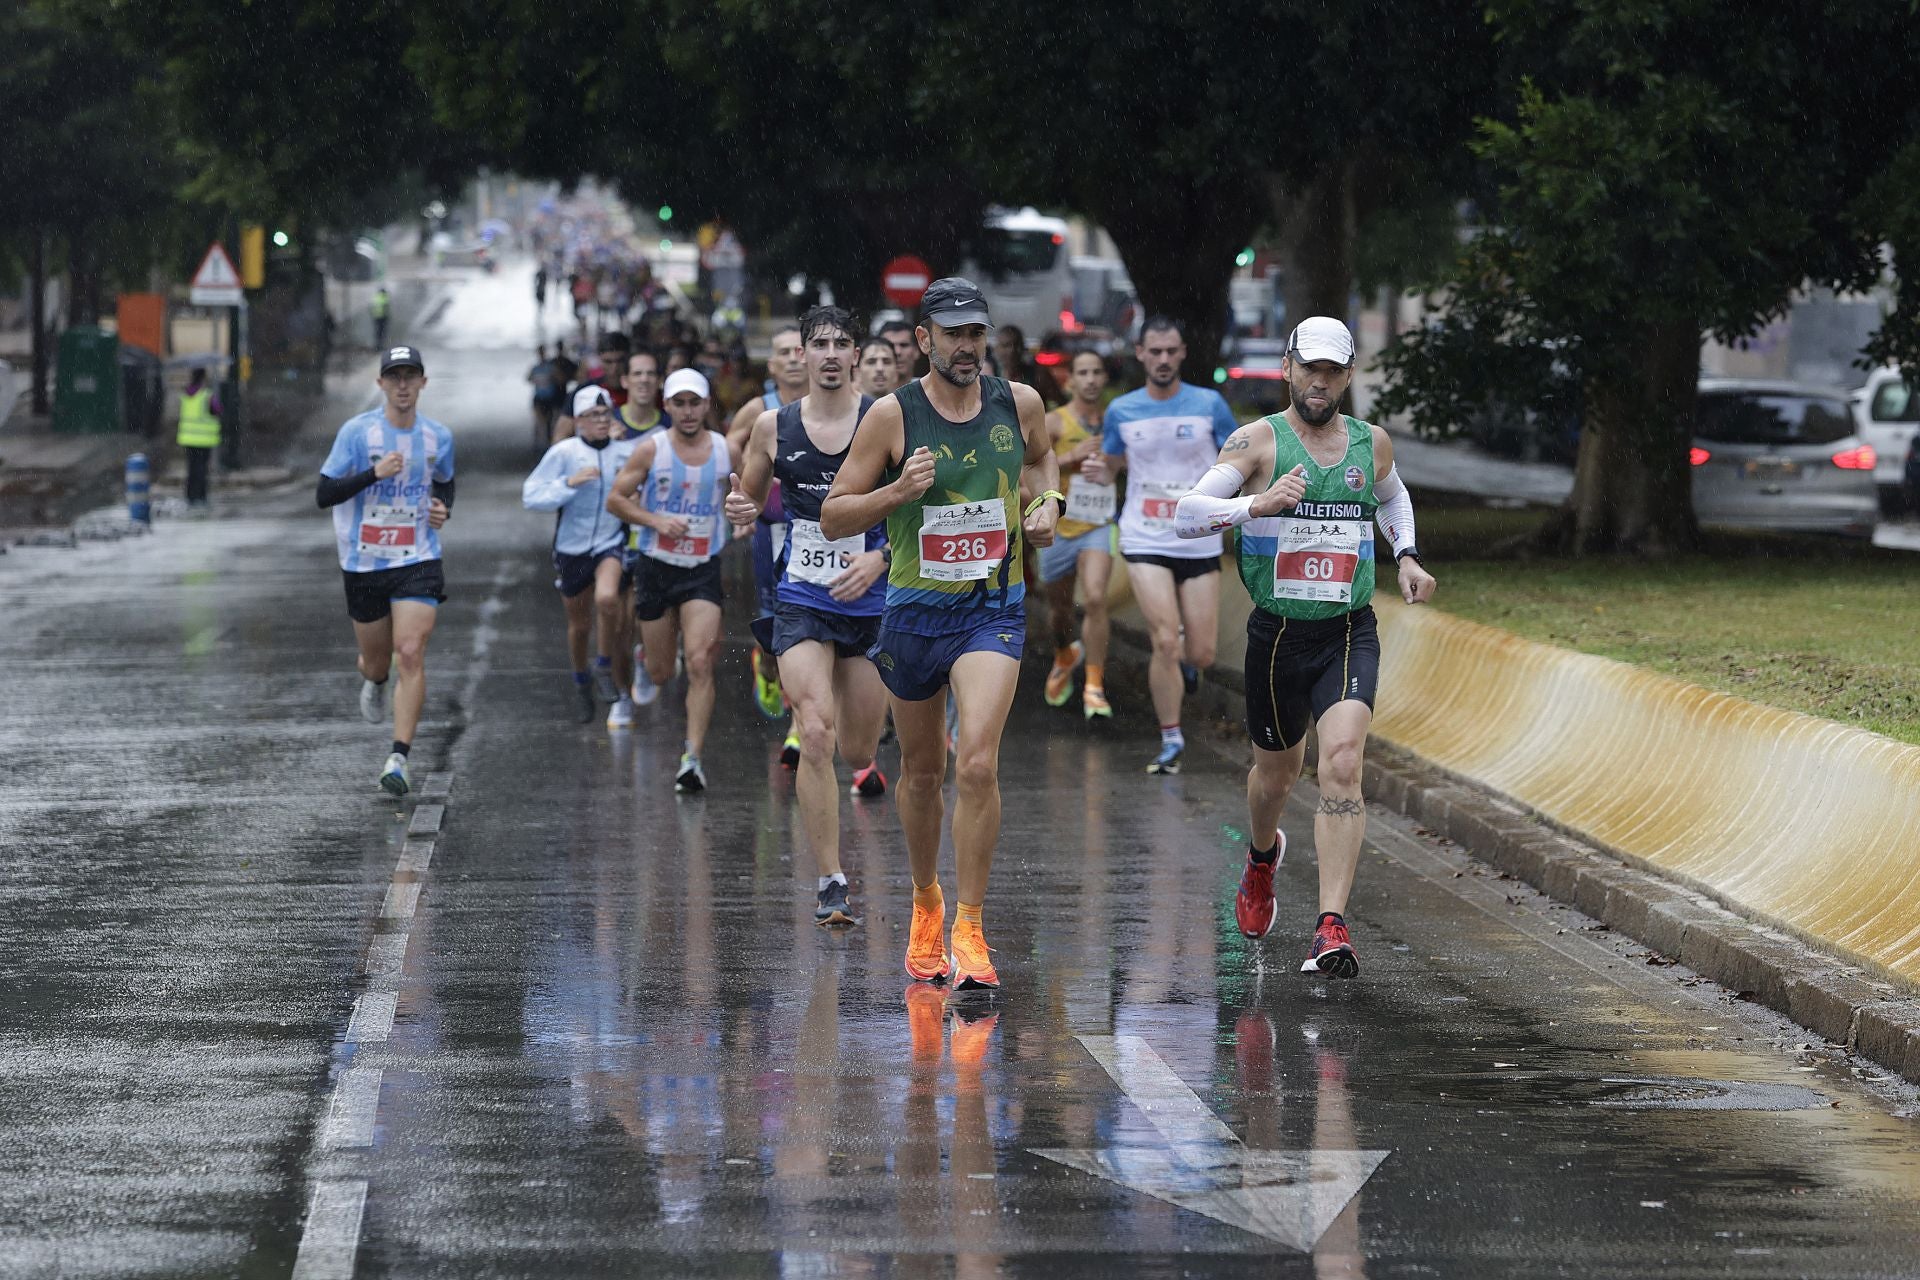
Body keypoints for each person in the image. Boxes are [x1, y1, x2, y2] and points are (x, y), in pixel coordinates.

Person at [1172, 317, 1436, 977]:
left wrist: (1405, 554)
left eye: (1332, 371)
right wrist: (1254, 506)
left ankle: (1330, 926)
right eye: (1308, 368)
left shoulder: (1369, 443)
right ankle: (1262, 861)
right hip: (1278, 635)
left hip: (1347, 629)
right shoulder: (1258, 441)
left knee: (1342, 763)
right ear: (1288, 368)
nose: (1319, 382)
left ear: (1347, 376)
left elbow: (1392, 497)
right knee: (1276, 776)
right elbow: (1185, 514)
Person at [822, 277, 1061, 994]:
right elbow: (835, 514)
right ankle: (926, 901)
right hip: (914, 614)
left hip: (992, 609)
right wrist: (897, 492)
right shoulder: (892, 418)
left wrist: (1046, 503)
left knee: (978, 764)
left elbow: (1044, 459)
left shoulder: (1017, 403)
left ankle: (970, 924)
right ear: (923, 339)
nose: (967, 346)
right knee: (923, 773)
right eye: (952, 333)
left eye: (976, 333)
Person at [725, 305, 891, 927]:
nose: (826, 353)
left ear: (855, 355)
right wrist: (739, 509)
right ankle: (831, 880)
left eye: (838, 343)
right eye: (815, 343)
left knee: (857, 747)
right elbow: (746, 492)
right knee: (815, 732)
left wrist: (881, 562)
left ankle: (859, 762)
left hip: (871, 600)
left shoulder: (886, 420)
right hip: (801, 597)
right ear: (800, 354)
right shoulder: (773, 426)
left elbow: (919, 508)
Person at [1083, 316, 1239, 774]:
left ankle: (1191, 664)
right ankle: (1171, 738)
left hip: (1198, 539)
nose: (1164, 359)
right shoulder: (1122, 410)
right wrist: (1099, 473)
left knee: (1202, 653)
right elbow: (1111, 465)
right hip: (1144, 535)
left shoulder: (1210, 405)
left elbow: (1239, 458)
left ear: (1183, 353)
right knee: (1165, 641)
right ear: (1141, 354)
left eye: (1172, 351)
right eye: (1156, 352)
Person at [316, 345, 455, 795]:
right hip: (364, 563)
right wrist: (373, 474)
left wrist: (442, 508)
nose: (402, 385)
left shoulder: (438, 438)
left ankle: (399, 757)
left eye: (410, 376)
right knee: (378, 661)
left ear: (422, 384)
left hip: (417, 558)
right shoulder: (357, 435)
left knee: (410, 651)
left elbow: (446, 482)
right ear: (380, 384)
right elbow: (324, 494)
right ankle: (375, 680)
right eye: (393, 377)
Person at [607, 369, 738, 793]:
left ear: (706, 406)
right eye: (678, 403)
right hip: (655, 565)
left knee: (701, 661)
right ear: (667, 406)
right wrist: (655, 519)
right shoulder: (652, 450)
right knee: (664, 673)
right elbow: (616, 499)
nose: (687, 411)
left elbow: (747, 492)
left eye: (694, 402)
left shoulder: (725, 450)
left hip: (702, 566)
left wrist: (744, 513)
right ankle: (650, 658)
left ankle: (692, 758)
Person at [523, 385, 640, 728]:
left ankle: (604, 664)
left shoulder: (626, 451)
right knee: (579, 625)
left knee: (607, 599)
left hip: (609, 541)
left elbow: (645, 484)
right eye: (592, 416)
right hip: (572, 548)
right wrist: (568, 484)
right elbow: (531, 496)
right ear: (577, 421)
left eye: (606, 414)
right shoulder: (565, 453)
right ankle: (580, 678)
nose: (601, 421)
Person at [727, 324, 809, 758]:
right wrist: (747, 491)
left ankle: (800, 725)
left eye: (800, 350)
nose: (795, 358)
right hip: (771, 527)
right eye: (784, 352)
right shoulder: (760, 409)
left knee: (811, 623)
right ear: (772, 364)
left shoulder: (830, 405)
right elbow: (730, 444)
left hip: (816, 528)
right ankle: (768, 667)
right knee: (775, 619)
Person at [1038, 350, 1115, 719]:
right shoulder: (1054, 422)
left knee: (1096, 599)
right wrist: (1072, 459)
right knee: (1059, 612)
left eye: (1096, 371)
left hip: (1098, 526)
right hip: (1059, 527)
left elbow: (1132, 462)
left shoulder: (1115, 420)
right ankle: (1064, 652)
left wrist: (1115, 465)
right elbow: (1030, 474)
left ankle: (1094, 686)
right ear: (1069, 380)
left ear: (1104, 378)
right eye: (1082, 372)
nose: (1090, 379)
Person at [550, 332, 631, 444]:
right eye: (608, 362)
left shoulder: (642, 391)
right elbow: (561, 436)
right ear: (599, 360)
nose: (614, 368)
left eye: (620, 361)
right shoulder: (583, 392)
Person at [176, 366, 223, 513]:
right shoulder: (206, 395)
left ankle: (190, 496)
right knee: (202, 469)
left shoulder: (185, 394)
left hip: (188, 438)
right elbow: (217, 409)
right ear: (203, 378)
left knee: (191, 469)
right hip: (204, 439)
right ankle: (201, 497)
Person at [527, 344, 564, 448]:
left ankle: (546, 444)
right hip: (539, 398)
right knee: (539, 422)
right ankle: (538, 444)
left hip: (549, 398)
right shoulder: (536, 368)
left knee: (548, 422)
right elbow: (528, 379)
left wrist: (552, 379)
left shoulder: (550, 367)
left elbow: (560, 379)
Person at [877, 318, 917, 389]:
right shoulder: (859, 396)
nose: (897, 352)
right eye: (891, 346)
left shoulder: (931, 392)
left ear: (916, 350)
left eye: (904, 345)